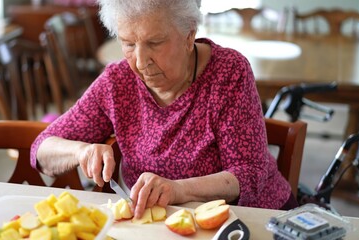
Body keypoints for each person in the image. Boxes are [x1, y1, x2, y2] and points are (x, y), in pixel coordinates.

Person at [31, 0, 298, 218]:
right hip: (161, 226)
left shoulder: (228, 72)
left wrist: (177, 190)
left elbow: (249, 174)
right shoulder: (117, 81)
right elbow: (41, 149)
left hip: (247, 219)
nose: (140, 61)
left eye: (155, 43)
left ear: (189, 34)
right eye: (128, 43)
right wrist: (81, 150)